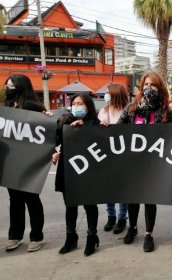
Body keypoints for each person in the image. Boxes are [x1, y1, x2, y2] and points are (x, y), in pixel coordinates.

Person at [117, 71, 172, 253]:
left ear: (160, 89)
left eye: (153, 85)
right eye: (145, 84)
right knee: (133, 198)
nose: (148, 88)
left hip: (153, 164)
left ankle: (149, 234)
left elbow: (171, 136)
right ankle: (133, 227)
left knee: (150, 199)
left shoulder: (166, 112)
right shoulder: (131, 108)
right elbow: (118, 130)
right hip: (132, 162)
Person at [52, 93, 100, 257]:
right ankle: (70, 236)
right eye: (75, 103)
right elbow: (54, 140)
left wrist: (85, 129)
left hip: (88, 171)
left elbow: (102, 142)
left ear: (88, 106)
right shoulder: (65, 120)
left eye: (81, 103)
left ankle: (92, 236)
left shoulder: (95, 122)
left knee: (89, 205)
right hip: (67, 169)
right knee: (70, 204)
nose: (77, 106)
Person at [3, 74, 46, 252]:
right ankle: (15, 236)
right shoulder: (6, 107)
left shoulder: (33, 107)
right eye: (6, 85)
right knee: (15, 200)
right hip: (11, 162)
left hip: (29, 162)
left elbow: (43, 132)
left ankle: (36, 236)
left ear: (21, 87)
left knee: (31, 199)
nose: (7, 88)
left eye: (10, 85)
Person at [98, 84, 129, 234]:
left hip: (123, 156)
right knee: (107, 186)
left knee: (122, 188)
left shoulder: (128, 110)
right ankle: (111, 215)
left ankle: (122, 218)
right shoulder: (103, 110)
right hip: (106, 154)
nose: (106, 95)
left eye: (108, 93)